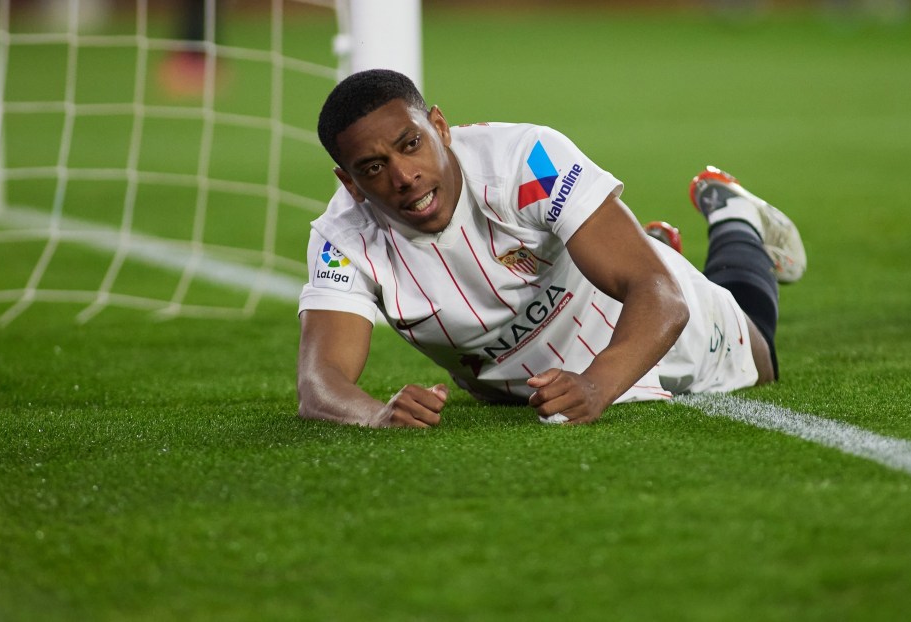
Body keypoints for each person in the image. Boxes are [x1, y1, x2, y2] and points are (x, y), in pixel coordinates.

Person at [296, 69, 806, 428]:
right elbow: (321, 381)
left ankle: (734, 216)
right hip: (535, 385)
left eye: (411, 144)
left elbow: (659, 294)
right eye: (373, 167)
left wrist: (597, 385)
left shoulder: (525, 161)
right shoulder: (343, 239)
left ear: (441, 128)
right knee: (620, 259)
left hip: (648, 324)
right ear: (351, 183)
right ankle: (639, 244)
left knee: (761, 352)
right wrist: (375, 414)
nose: (404, 177)